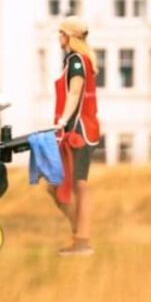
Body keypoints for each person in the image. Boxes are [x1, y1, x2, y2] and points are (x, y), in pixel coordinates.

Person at [48, 16, 101, 257]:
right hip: (73, 129)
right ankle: (80, 235)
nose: (58, 37)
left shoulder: (77, 61)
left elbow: (75, 93)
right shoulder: (76, 60)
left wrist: (62, 121)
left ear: (68, 36)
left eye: (61, 33)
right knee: (56, 185)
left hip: (78, 130)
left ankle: (82, 239)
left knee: (79, 184)